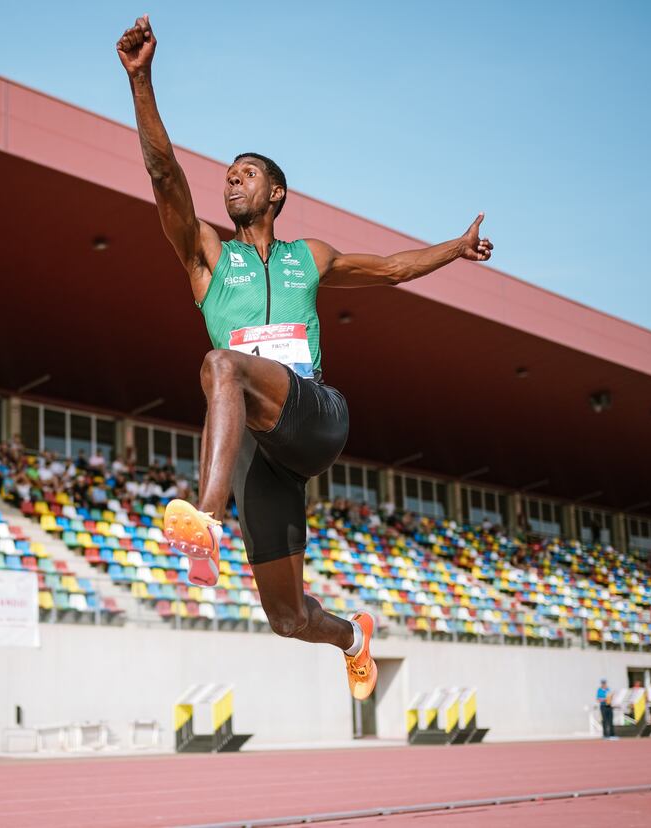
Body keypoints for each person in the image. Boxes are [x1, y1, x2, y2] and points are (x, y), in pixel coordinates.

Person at [116, 15, 492, 701]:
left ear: (276, 193)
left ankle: (205, 518)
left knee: (220, 365)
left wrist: (454, 248)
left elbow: (391, 268)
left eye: (246, 175)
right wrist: (141, 81)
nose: (231, 184)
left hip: (314, 417)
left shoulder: (308, 258)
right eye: (227, 177)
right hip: (264, 453)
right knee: (287, 618)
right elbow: (163, 173)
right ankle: (353, 638)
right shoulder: (207, 258)